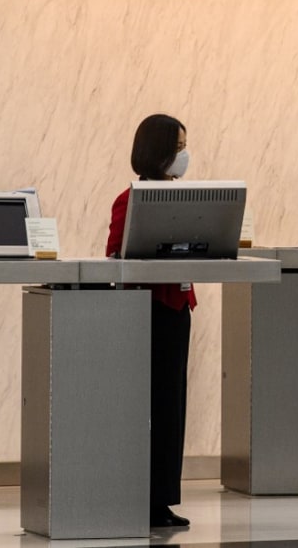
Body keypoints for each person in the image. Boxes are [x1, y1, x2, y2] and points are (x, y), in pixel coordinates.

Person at [105, 113, 196, 528]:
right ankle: (142, 499)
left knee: (171, 405)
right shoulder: (130, 199)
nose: (184, 156)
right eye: (178, 148)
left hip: (177, 308)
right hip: (147, 310)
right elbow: (115, 256)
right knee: (148, 406)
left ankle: (162, 498)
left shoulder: (188, 197)